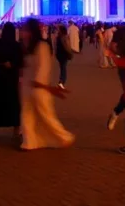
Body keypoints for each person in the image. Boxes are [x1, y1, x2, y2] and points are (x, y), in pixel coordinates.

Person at [19, 18, 74, 151]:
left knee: (46, 115)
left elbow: (43, 69)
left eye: (25, 30)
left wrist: (44, 86)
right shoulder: (27, 47)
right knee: (27, 115)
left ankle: (64, 137)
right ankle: (29, 142)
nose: (21, 32)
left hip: (38, 87)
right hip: (28, 87)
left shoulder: (42, 46)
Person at [54, 25, 73, 90]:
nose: (57, 30)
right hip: (63, 55)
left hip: (60, 55)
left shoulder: (59, 37)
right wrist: (70, 54)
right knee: (63, 68)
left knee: (62, 68)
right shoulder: (64, 37)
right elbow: (67, 47)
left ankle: (61, 81)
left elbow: (56, 46)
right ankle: (61, 82)